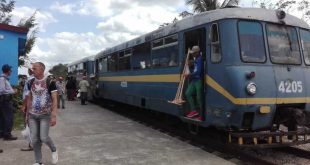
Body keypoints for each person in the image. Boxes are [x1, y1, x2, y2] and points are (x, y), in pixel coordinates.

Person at [28, 62, 58, 165]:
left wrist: (54, 115)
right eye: (32, 68)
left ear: (41, 70)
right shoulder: (30, 82)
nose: (32, 70)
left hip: (45, 115)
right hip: (32, 115)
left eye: (35, 68)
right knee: (35, 139)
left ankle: (54, 149)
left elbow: (54, 99)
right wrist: (27, 114)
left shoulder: (50, 82)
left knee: (44, 137)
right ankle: (39, 162)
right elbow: (29, 98)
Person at [185, 46, 204, 121]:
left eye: (194, 53)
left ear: (197, 52)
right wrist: (190, 66)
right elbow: (195, 70)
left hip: (198, 80)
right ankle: (194, 111)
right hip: (194, 80)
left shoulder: (199, 59)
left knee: (199, 98)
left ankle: (201, 115)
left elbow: (198, 72)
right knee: (188, 93)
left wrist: (190, 75)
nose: (192, 54)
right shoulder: (196, 59)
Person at [0, 64, 18, 141]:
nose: (11, 71)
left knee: (3, 117)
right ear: (7, 71)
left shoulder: (5, 79)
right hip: (5, 101)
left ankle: (3, 133)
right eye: (10, 70)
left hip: (5, 100)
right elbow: (1, 90)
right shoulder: (2, 79)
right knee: (9, 117)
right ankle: (7, 134)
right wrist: (12, 91)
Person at [20, 68, 34, 151]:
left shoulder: (30, 80)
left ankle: (31, 145)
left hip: (29, 105)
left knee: (28, 124)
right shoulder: (36, 80)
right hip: (34, 105)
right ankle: (35, 143)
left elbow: (27, 95)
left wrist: (24, 105)